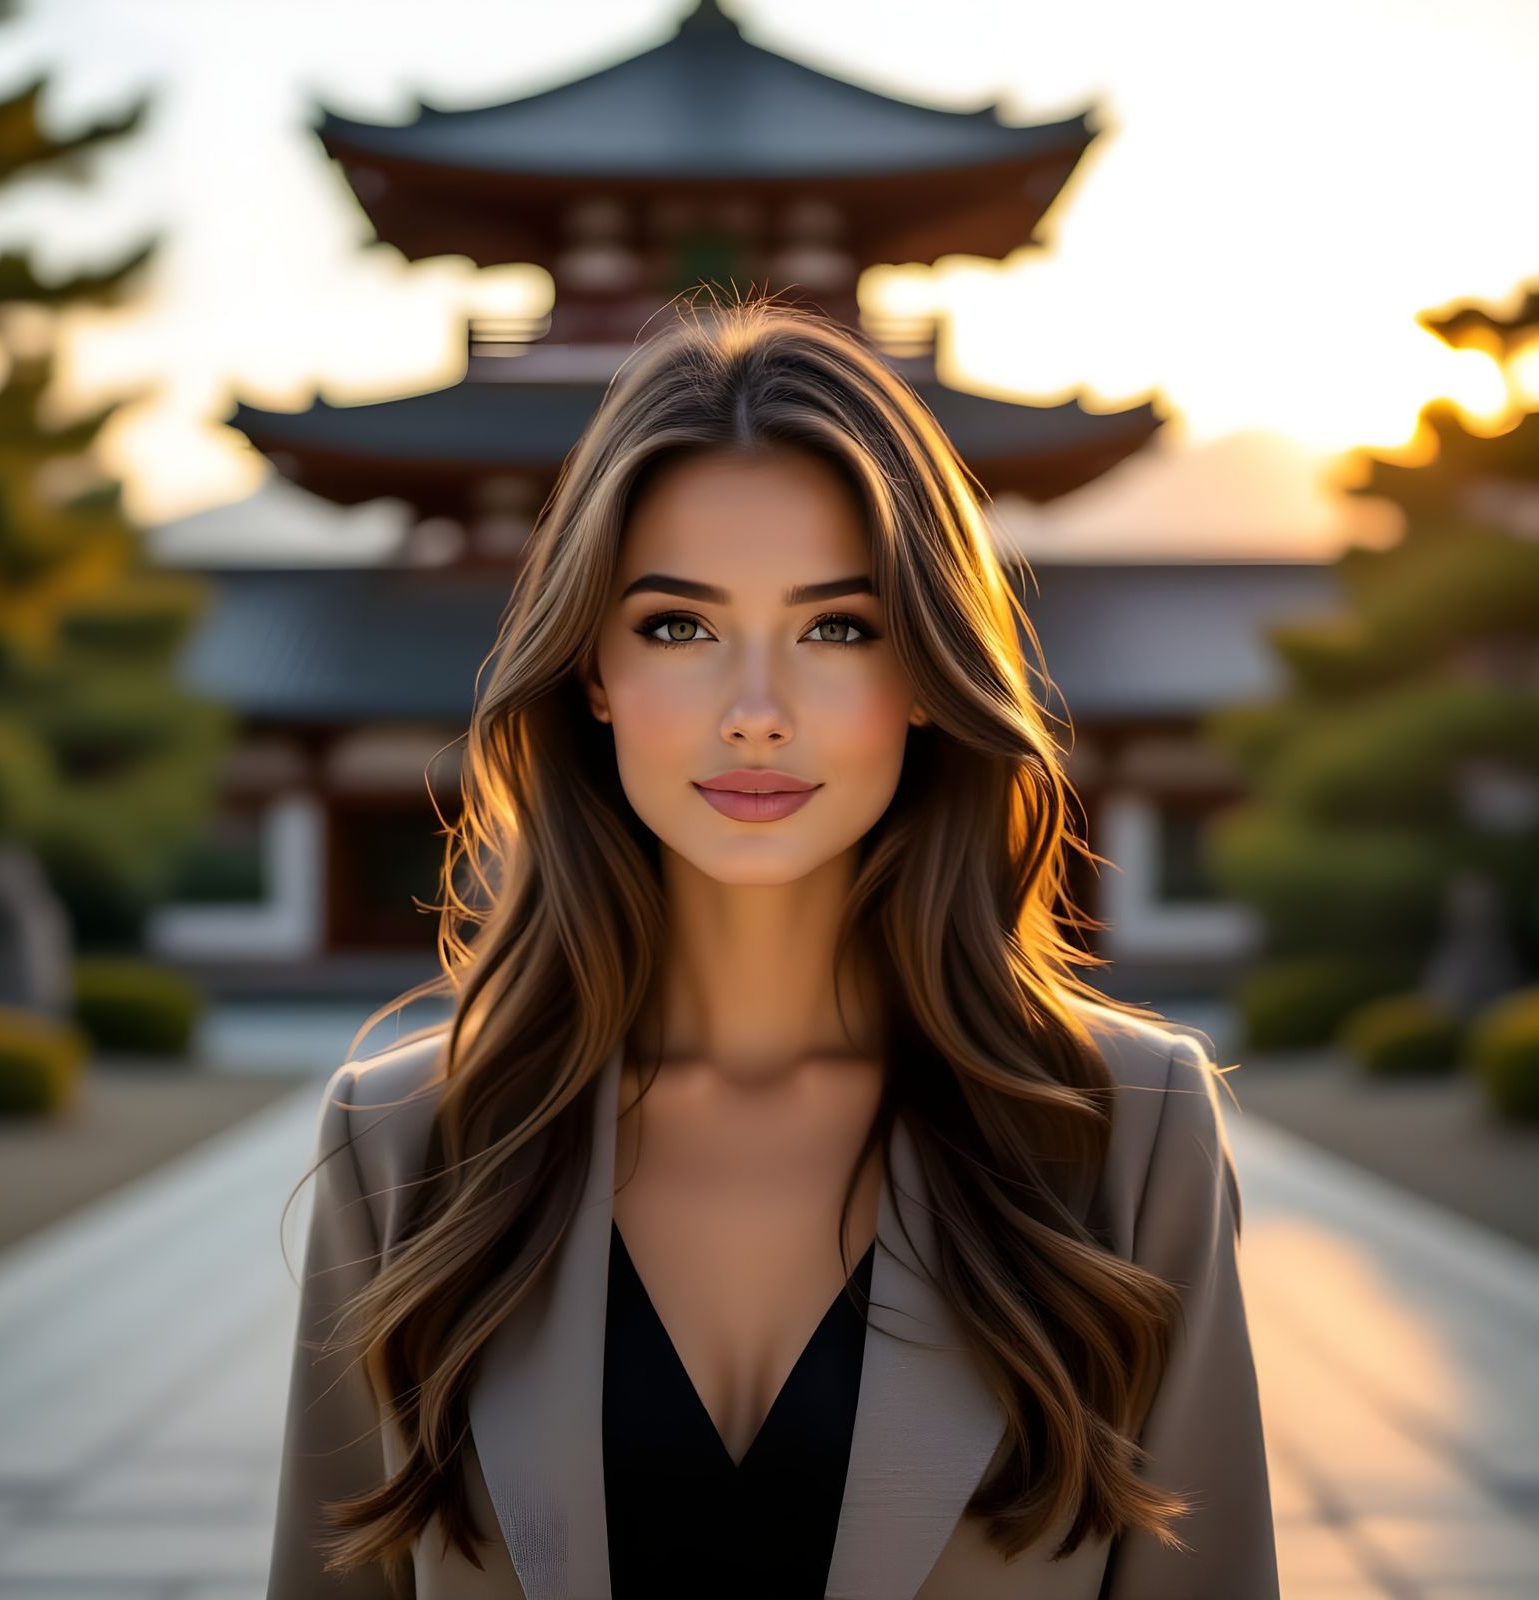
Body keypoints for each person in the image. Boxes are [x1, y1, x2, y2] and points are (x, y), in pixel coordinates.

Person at [267, 294, 1280, 1599]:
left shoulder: (1127, 1132)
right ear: (593, 672)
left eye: (838, 627)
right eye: (679, 626)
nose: (756, 713)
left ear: (926, 677)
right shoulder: (406, 1147)